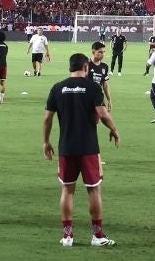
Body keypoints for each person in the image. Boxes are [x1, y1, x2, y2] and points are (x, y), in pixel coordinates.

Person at [43, 52, 121, 247]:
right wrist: (114, 130)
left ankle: (68, 236)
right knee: (94, 190)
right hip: (88, 147)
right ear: (86, 68)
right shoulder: (93, 87)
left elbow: (47, 118)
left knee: (67, 190)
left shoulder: (57, 88)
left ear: (70, 67)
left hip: (66, 147)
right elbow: (103, 114)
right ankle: (97, 235)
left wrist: (46, 142)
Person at [87, 42, 113, 110]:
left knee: (102, 118)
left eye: (104, 52)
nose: (103, 54)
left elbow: (105, 84)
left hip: (98, 98)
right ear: (93, 52)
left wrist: (109, 100)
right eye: (100, 52)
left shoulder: (104, 66)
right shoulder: (86, 65)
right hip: (85, 98)